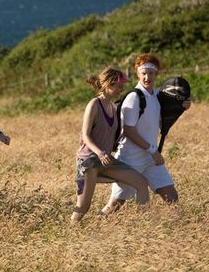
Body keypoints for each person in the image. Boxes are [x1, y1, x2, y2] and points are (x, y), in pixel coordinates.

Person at [102, 53, 191, 214]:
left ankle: (181, 228)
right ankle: (91, 226)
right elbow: (129, 131)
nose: (147, 77)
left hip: (150, 159)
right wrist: (152, 150)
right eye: (143, 73)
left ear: (156, 74)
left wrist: (181, 107)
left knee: (171, 196)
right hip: (130, 159)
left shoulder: (157, 96)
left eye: (150, 73)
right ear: (137, 73)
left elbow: (163, 121)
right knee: (116, 204)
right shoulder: (134, 98)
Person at [72, 68, 150, 223]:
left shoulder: (114, 107)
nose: (121, 90)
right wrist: (100, 153)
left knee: (141, 183)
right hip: (89, 161)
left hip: (106, 160)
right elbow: (85, 136)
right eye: (119, 86)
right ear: (108, 85)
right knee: (83, 207)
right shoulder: (94, 104)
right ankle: (71, 231)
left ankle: (144, 226)